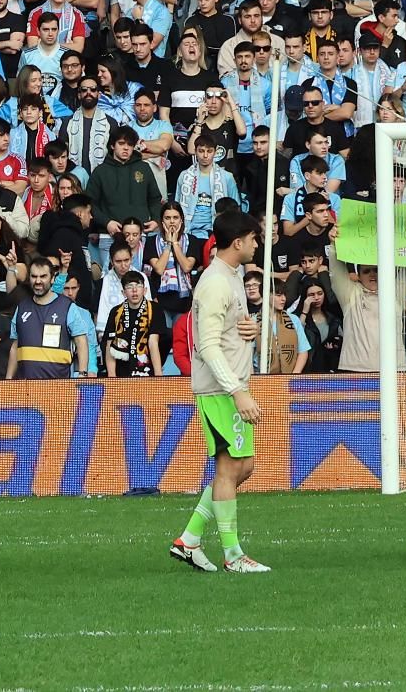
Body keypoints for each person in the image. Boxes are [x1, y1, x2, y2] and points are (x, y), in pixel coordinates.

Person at [170, 209, 268, 574]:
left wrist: (249, 333)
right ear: (238, 242)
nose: (257, 244)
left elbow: (224, 333)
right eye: (254, 238)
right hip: (220, 390)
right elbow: (208, 346)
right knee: (230, 468)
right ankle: (233, 555)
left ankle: (190, 539)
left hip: (232, 386)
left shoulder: (233, 276)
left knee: (245, 465)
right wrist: (237, 392)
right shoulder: (214, 282)